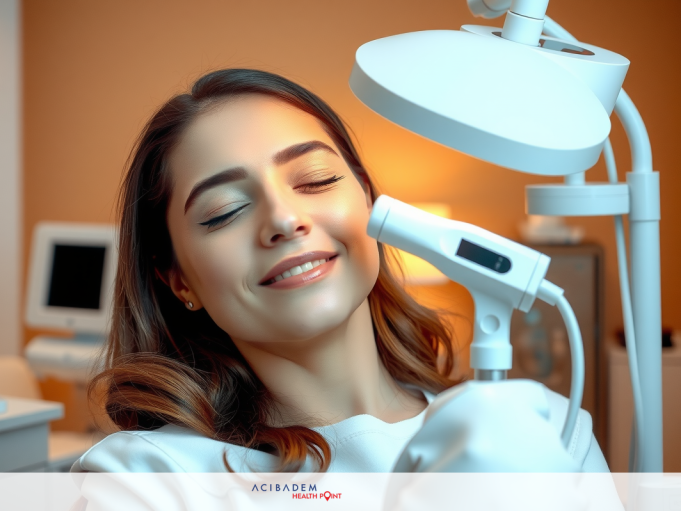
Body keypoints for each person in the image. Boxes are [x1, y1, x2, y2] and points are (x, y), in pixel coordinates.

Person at [72, 68, 609, 475]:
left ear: (371, 204)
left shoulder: (549, 432)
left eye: (316, 179)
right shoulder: (146, 477)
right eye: (226, 211)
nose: (284, 219)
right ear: (178, 278)